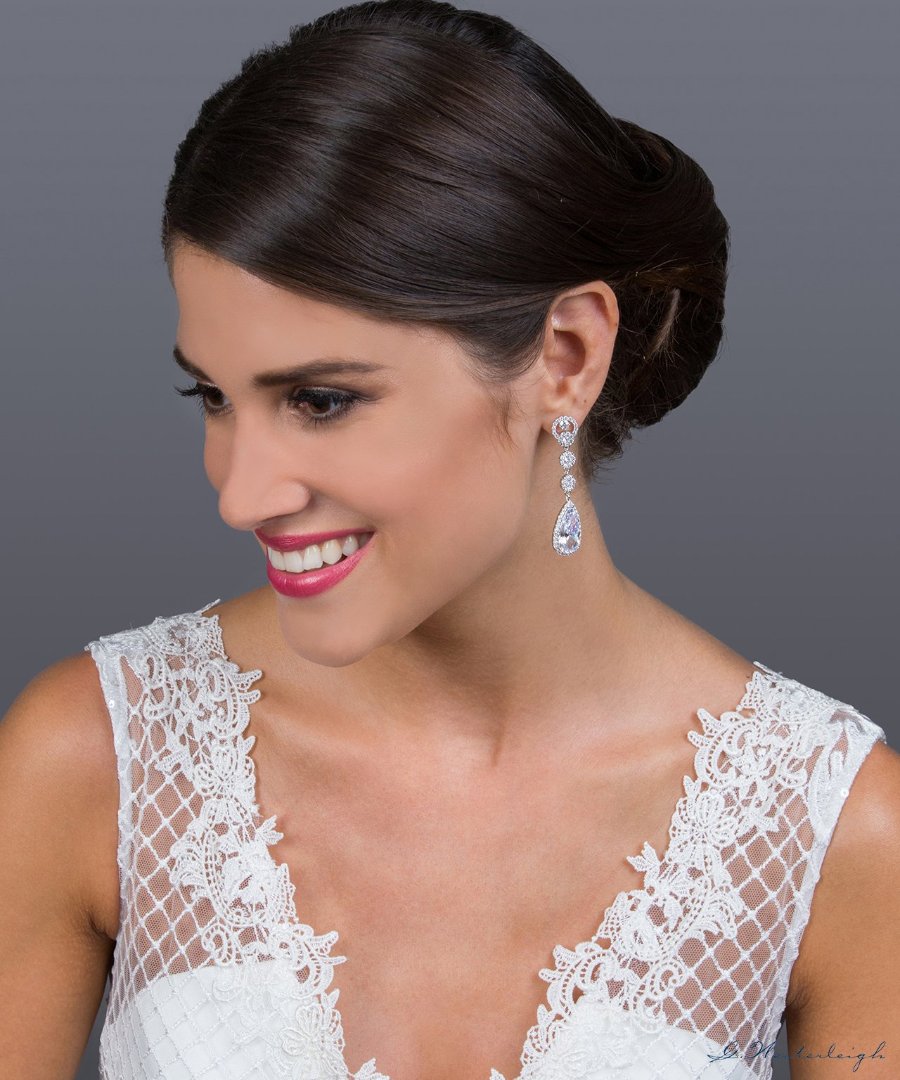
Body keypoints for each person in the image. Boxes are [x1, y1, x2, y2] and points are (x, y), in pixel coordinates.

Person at [1, 2, 898, 1078]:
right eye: (215, 397)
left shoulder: (835, 834)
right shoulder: (94, 759)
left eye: (321, 400)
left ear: (566, 356)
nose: (241, 495)